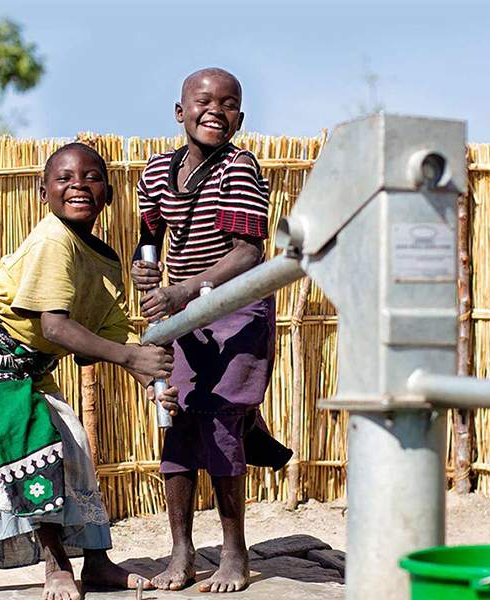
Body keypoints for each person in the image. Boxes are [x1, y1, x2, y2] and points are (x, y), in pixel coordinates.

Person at [0, 143, 177, 600]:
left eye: (91, 177)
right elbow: (55, 327)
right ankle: (56, 565)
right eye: (64, 178)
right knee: (33, 451)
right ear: (43, 192)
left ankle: (97, 563)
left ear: (108, 194)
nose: (78, 185)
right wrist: (131, 359)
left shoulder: (104, 260)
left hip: (31, 362)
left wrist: (151, 383)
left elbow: (113, 332)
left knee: (75, 447)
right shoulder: (52, 239)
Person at [132, 68, 292, 594]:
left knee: (221, 419)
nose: (215, 111)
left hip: (235, 311)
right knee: (177, 419)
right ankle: (181, 552)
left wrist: (183, 290)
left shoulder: (238, 169)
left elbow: (249, 253)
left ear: (239, 119)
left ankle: (234, 552)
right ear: (180, 112)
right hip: (184, 315)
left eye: (228, 104)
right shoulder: (157, 172)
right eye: (203, 101)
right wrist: (144, 269)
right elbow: (148, 237)